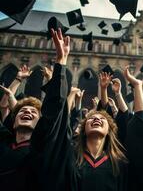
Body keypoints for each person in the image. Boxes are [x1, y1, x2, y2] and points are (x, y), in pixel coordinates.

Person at [34, 28, 128, 191]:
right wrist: (61, 63)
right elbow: (55, 118)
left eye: (102, 119)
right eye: (90, 118)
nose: (97, 118)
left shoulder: (121, 163)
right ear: (81, 128)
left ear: (111, 131)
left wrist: (108, 91)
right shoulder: (66, 155)